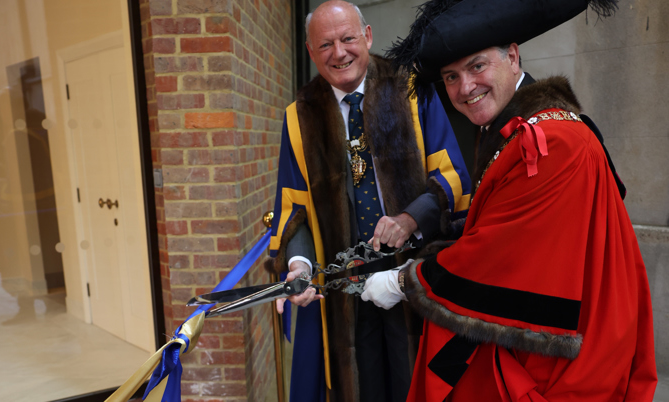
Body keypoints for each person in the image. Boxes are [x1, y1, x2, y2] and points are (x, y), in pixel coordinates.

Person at [361, 0, 657, 400]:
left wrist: (404, 281)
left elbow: (505, 252)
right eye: (451, 76)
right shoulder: (516, 131)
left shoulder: (551, 143)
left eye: (477, 66)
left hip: (559, 363)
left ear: (513, 57)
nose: (465, 88)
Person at [265, 1, 472, 401]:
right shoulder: (299, 117)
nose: (338, 53)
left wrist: (411, 218)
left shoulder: (411, 89)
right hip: (346, 289)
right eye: (325, 45)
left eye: (347, 39)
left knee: (414, 382)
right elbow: (294, 211)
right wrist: (298, 265)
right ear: (310, 52)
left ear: (368, 36)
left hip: (410, 275)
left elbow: (451, 178)